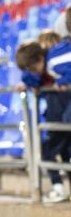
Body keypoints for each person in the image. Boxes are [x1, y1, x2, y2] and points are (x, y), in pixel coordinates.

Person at [14, 32, 71, 203]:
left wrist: (63, 82)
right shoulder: (42, 72)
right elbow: (31, 78)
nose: (33, 72)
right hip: (56, 116)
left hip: (63, 115)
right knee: (55, 152)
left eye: (33, 67)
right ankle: (59, 188)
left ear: (40, 58)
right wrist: (26, 83)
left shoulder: (54, 62)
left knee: (57, 151)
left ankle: (59, 188)